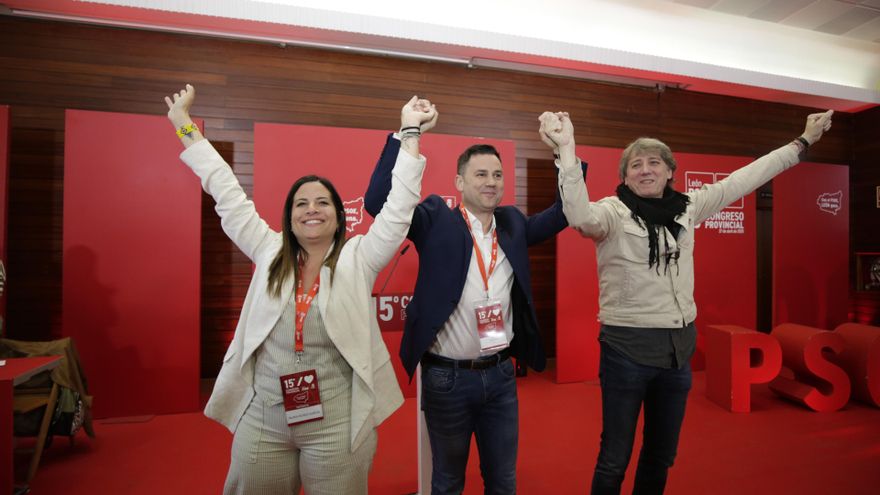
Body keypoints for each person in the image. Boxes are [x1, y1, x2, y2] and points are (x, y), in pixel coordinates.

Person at [164, 84, 436, 494]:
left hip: (337, 422)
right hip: (264, 418)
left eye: (323, 202)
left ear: (338, 215)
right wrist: (184, 126)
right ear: (290, 218)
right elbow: (225, 190)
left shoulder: (358, 257)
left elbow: (399, 208)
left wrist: (410, 134)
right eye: (301, 203)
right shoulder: (267, 247)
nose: (312, 209)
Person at [546, 109, 834, 494]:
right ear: (625, 175)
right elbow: (578, 215)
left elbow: (746, 179)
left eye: (654, 163)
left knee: (661, 455)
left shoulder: (688, 207)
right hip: (625, 349)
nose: (645, 170)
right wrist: (566, 150)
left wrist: (803, 141)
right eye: (635, 165)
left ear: (669, 172)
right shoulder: (612, 212)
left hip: (677, 351)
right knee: (614, 457)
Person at [364, 116, 584, 494]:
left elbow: (564, 212)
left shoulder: (513, 222)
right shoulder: (434, 218)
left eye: (497, 175)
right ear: (459, 182)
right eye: (480, 174)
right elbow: (376, 203)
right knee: (447, 482)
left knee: (503, 480)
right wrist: (406, 135)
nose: (491, 182)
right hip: (447, 378)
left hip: (500, 377)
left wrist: (566, 150)